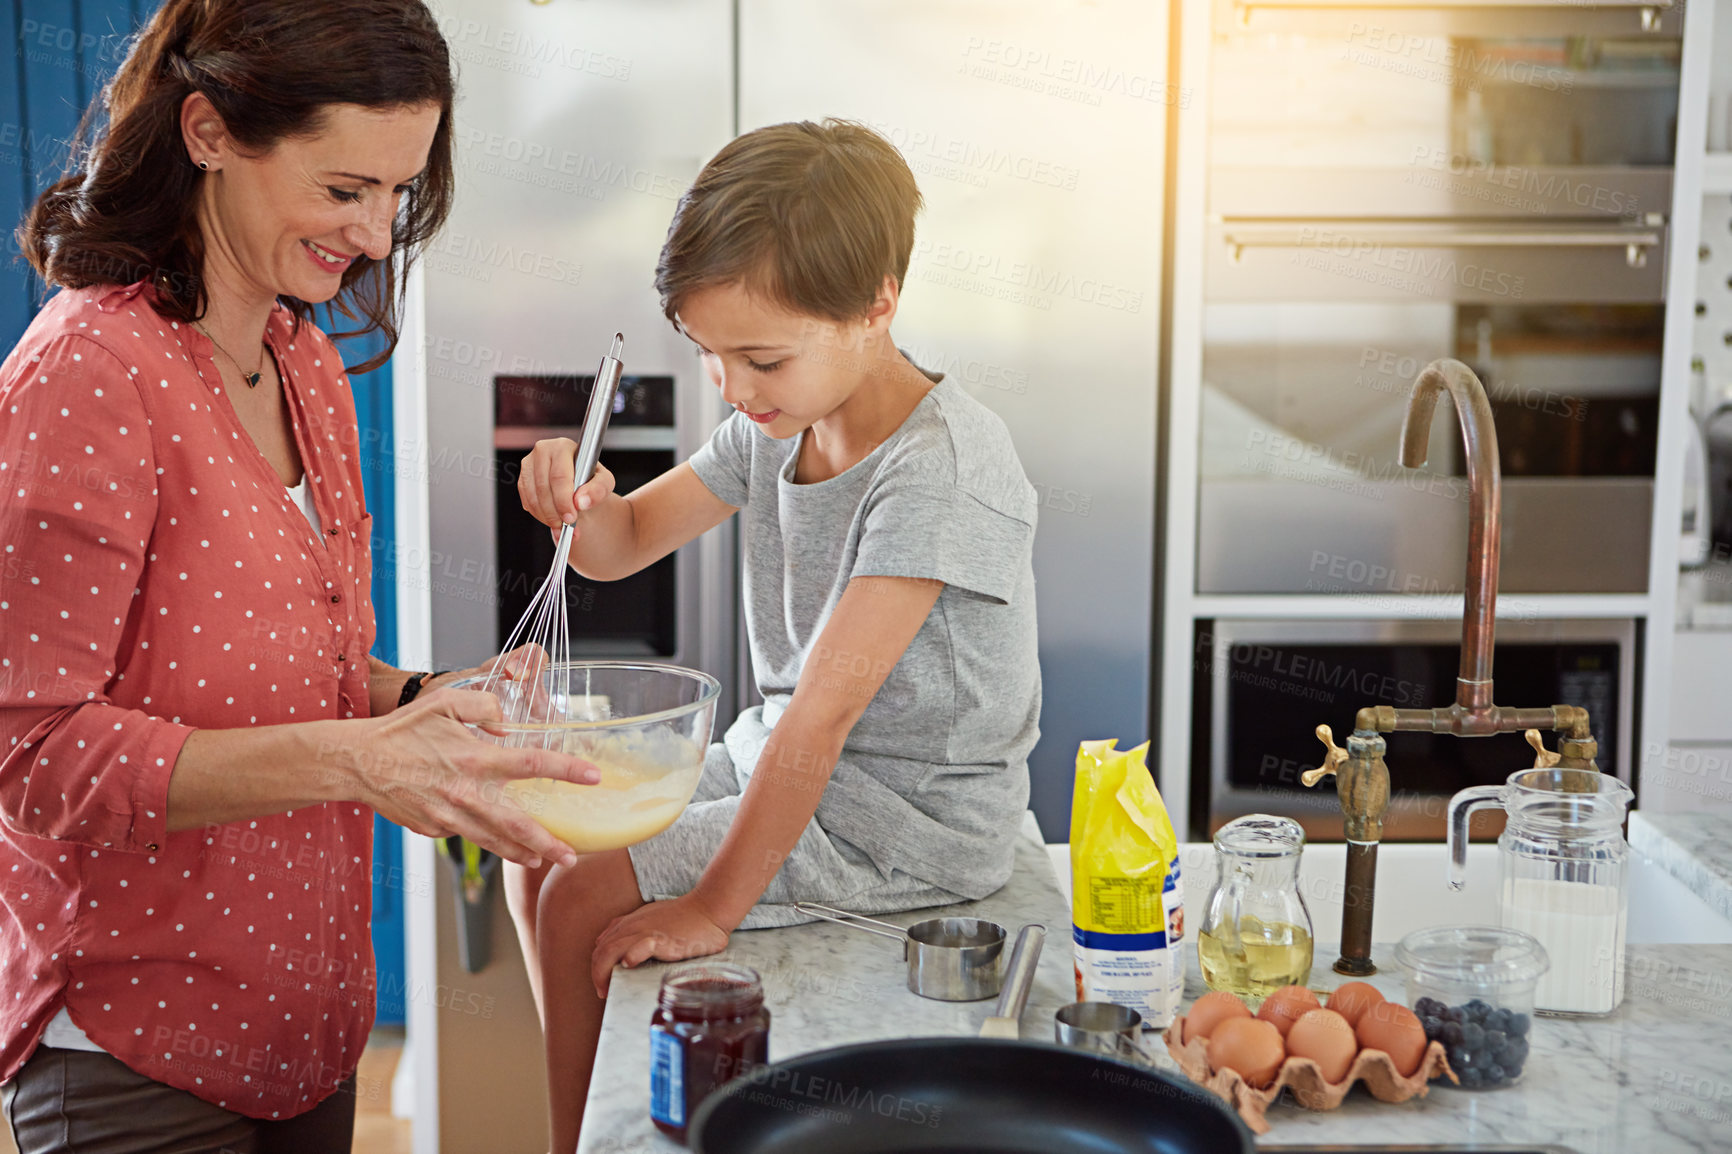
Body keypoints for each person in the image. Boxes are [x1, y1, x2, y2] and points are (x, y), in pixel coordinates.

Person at [0, 3, 595, 1150]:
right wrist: (362, 762)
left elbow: (294, 668)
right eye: (343, 189)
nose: (376, 236)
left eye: (398, 194)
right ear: (211, 131)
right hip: (137, 1052)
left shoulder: (298, 356)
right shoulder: (87, 376)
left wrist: (430, 706)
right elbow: (29, 752)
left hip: (304, 1025)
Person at [510, 119, 1042, 1151]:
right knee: (543, 845)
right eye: (710, 356)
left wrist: (711, 906)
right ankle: (580, 1125)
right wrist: (572, 498)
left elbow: (825, 712)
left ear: (877, 302)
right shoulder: (778, 421)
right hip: (790, 762)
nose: (733, 388)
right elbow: (619, 544)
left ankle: (578, 1139)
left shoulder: (938, 469)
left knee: (578, 891)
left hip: (904, 818)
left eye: (758, 356)